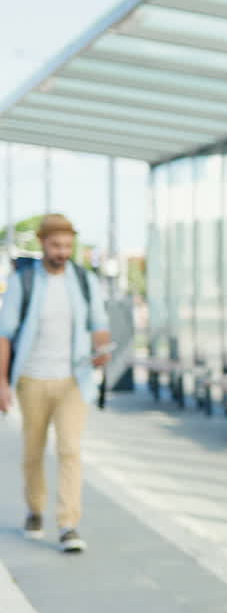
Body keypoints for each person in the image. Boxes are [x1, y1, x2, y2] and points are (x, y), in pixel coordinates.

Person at [0, 214, 112, 553]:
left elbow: (99, 323)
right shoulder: (25, 280)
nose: (62, 252)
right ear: (42, 243)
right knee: (33, 451)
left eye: (67, 245)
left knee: (69, 450)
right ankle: (35, 509)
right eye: (56, 245)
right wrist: (2, 383)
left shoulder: (82, 279)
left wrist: (101, 350)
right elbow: (5, 334)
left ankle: (68, 524)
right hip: (32, 379)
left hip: (72, 380)